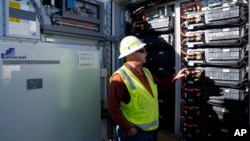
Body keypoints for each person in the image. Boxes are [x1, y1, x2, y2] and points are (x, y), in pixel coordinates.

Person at [107, 35, 188, 141]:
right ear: (133, 54)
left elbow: (159, 86)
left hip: (151, 130)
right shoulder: (120, 77)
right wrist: (128, 128)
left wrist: (175, 78)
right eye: (142, 50)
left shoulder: (146, 72)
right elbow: (112, 107)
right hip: (134, 133)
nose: (146, 53)